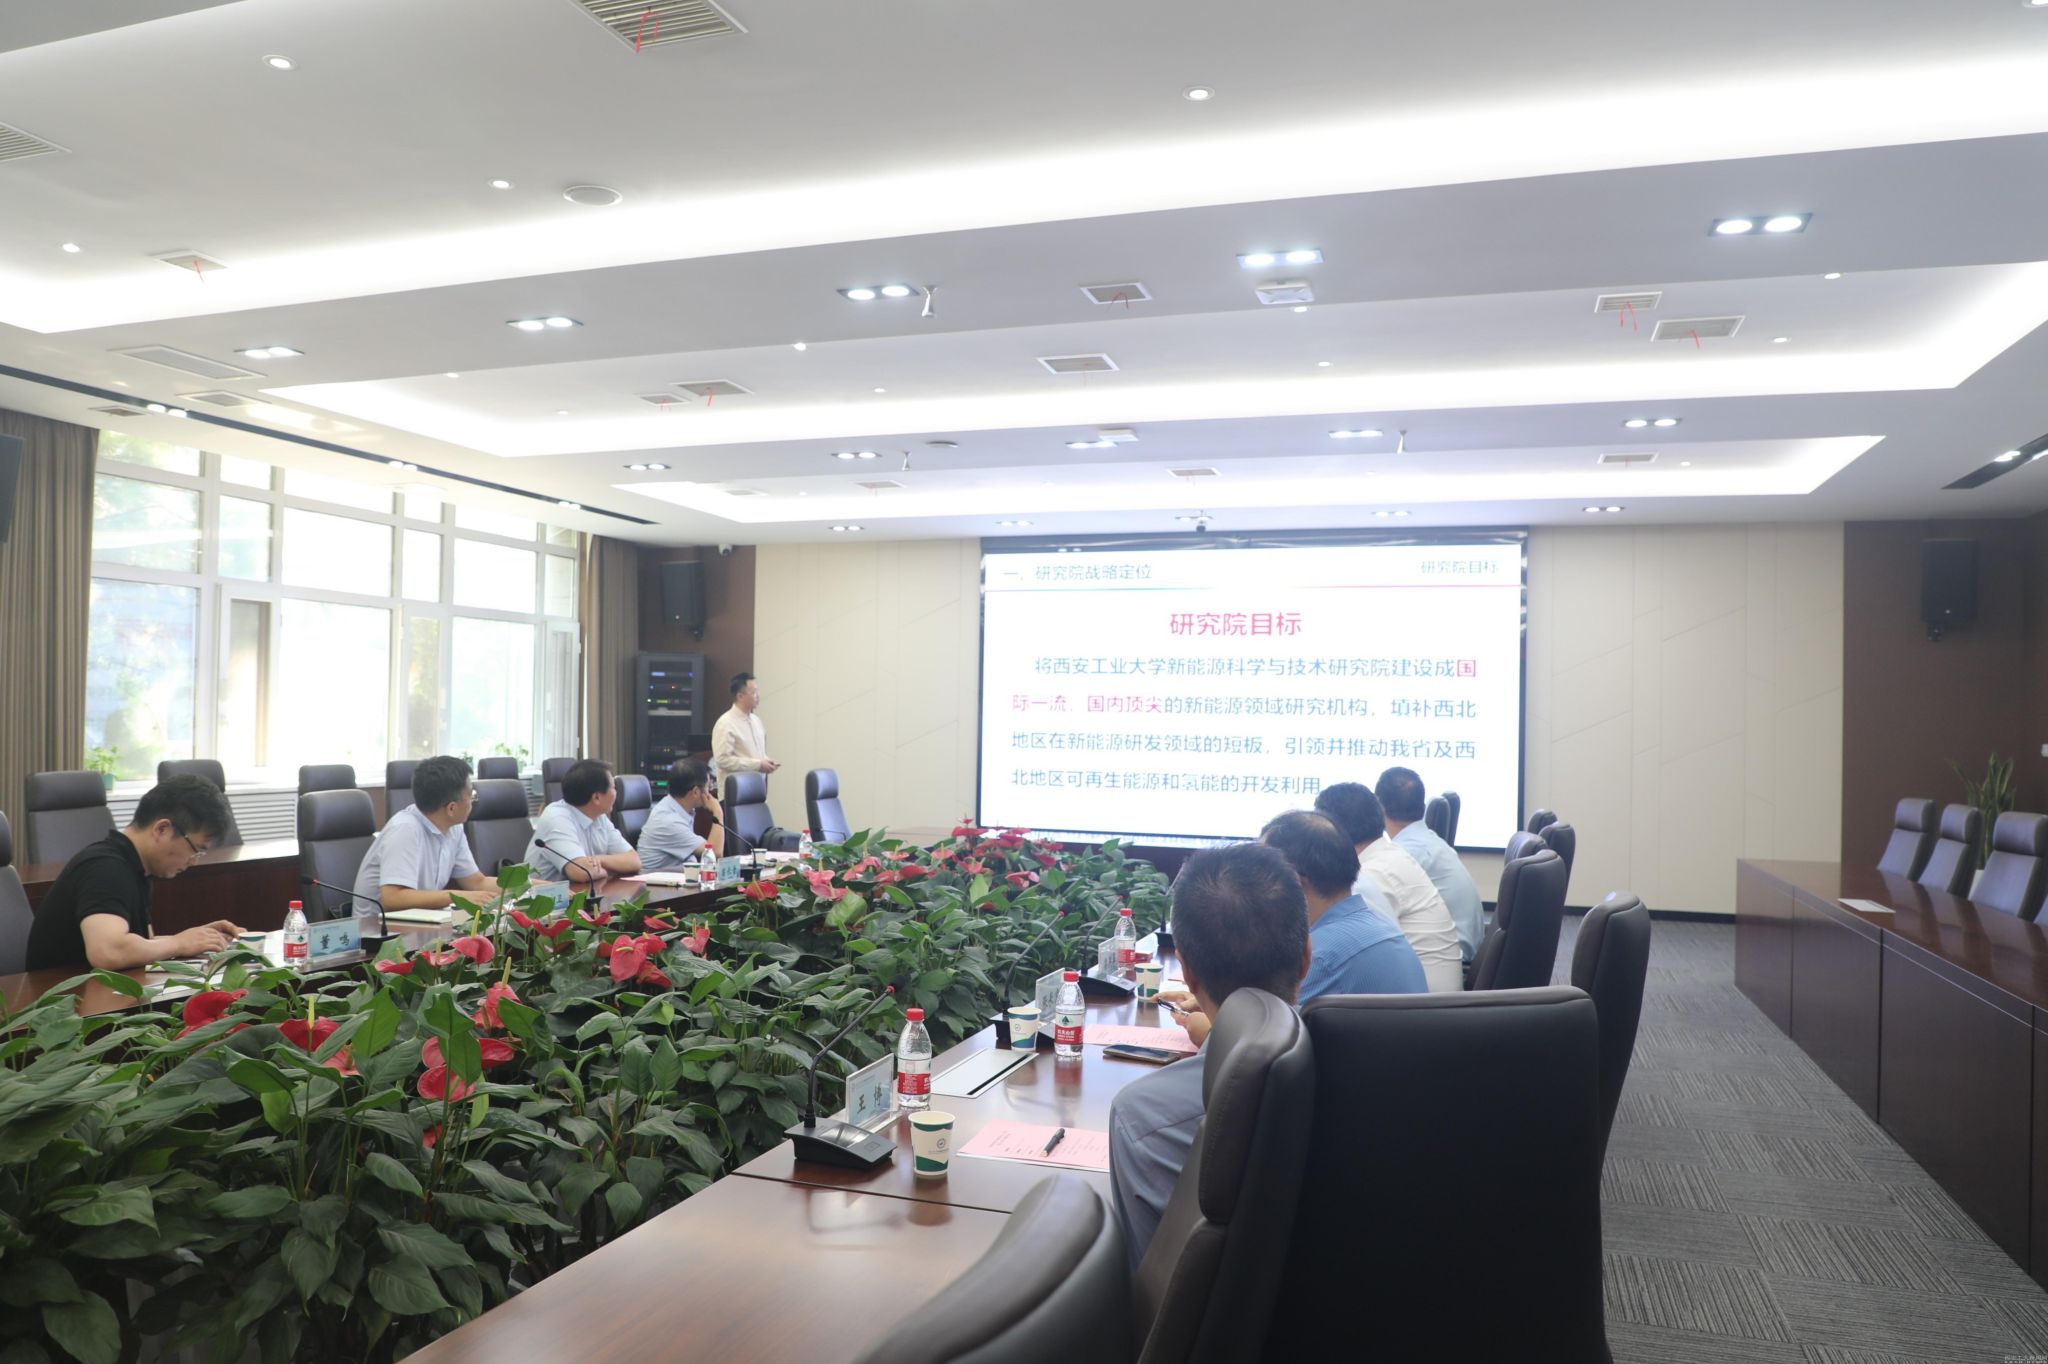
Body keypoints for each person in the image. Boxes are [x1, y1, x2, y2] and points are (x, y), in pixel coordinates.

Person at [1108, 842, 1309, 1271]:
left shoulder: (1144, 1116)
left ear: (1186, 972)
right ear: (1306, 959)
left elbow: (1151, 1284)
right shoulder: (1370, 1073)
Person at [24, 776, 244, 972]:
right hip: (60, 999)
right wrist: (178, 943)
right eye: (196, 850)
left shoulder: (135, 867)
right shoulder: (106, 868)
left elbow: (140, 943)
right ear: (162, 829)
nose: (194, 861)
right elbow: (108, 952)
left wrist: (199, 939)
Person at [1259, 810, 1427, 999]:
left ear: (1295, 883)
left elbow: (1269, 1017)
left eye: (1261, 876)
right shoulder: (1385, 931)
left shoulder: (1319, 959)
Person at [1314, 782, 1465, 993]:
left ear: (1331, 835)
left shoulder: (1369, 876)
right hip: (1429, 996)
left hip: (1424, 1003)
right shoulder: (1389, 856)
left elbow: (1365, 952)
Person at [354, 755, 501, 912]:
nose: (473, 801)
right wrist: (456, 896)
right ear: (452, 808)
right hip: (377, 925)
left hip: (418, 919)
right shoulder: (405, 829)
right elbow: (392, 898)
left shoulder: (454, 828)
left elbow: (477, 882)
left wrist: (519, 886)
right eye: (471, 796)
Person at [1375, 767, 1486, 966]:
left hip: (1450, 963)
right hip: (1459, 954)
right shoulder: (1426, 842)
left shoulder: (1406, 854)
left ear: (1378, 809)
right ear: (1422, 806)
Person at [525, 759, 642, 884]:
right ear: (596, 797)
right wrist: (610, 869)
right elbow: (581, 872)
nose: (616, 793)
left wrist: (599, 860)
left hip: (584, 892)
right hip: (546, 895)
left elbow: (634, 861)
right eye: (614, 788)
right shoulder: (556, 818)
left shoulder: (599, 817)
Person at [639, 759, 725, 871]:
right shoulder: (669, 821)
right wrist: (718, 812)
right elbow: (715, 853)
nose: (710, 792)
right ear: (696, 792)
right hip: (657, 881)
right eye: (708, 786)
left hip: (678, 877)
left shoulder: (674, 807)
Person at [710, 671, 779, 789]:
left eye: (758, 691)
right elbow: (722, 760)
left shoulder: (756, 721)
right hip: (735, 792)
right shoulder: (725, 723)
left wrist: (766, 762)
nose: (758, 696)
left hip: (757, 788)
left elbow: (755, 754)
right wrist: (758, 765)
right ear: (740, 696)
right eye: (754, 692)